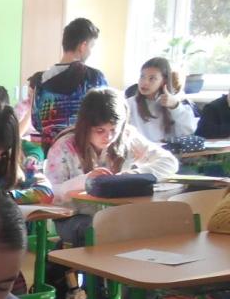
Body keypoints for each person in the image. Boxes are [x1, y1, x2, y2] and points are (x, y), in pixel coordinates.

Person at [44, 87, 179, 243]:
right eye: (99, 130)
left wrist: (134, 175)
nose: (108, 137)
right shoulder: (64, 146)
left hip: (117, 213)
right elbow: (50, 192)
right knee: (102, 230)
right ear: (85, 126)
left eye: (114, 129)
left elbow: (169, 162)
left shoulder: (127, 137)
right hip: (74, 216)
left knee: (148, 226)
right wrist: (86, 181)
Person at [28, 17, 108, 149]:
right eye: (91, 46)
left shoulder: (40, 80)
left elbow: (37, 123)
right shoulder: (95, 78)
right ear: (83, 46)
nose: (90, 52)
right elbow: (104, 119)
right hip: (83, 151)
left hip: (52, 151)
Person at [126, 57, 197, 143]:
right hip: (140, 150)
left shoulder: (175, 104)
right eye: (142, 76)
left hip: (168, 150)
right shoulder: (129, 104)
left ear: (164, 81)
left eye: (152, 78)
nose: (145, 82)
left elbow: (187, 134)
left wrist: (175, 107)